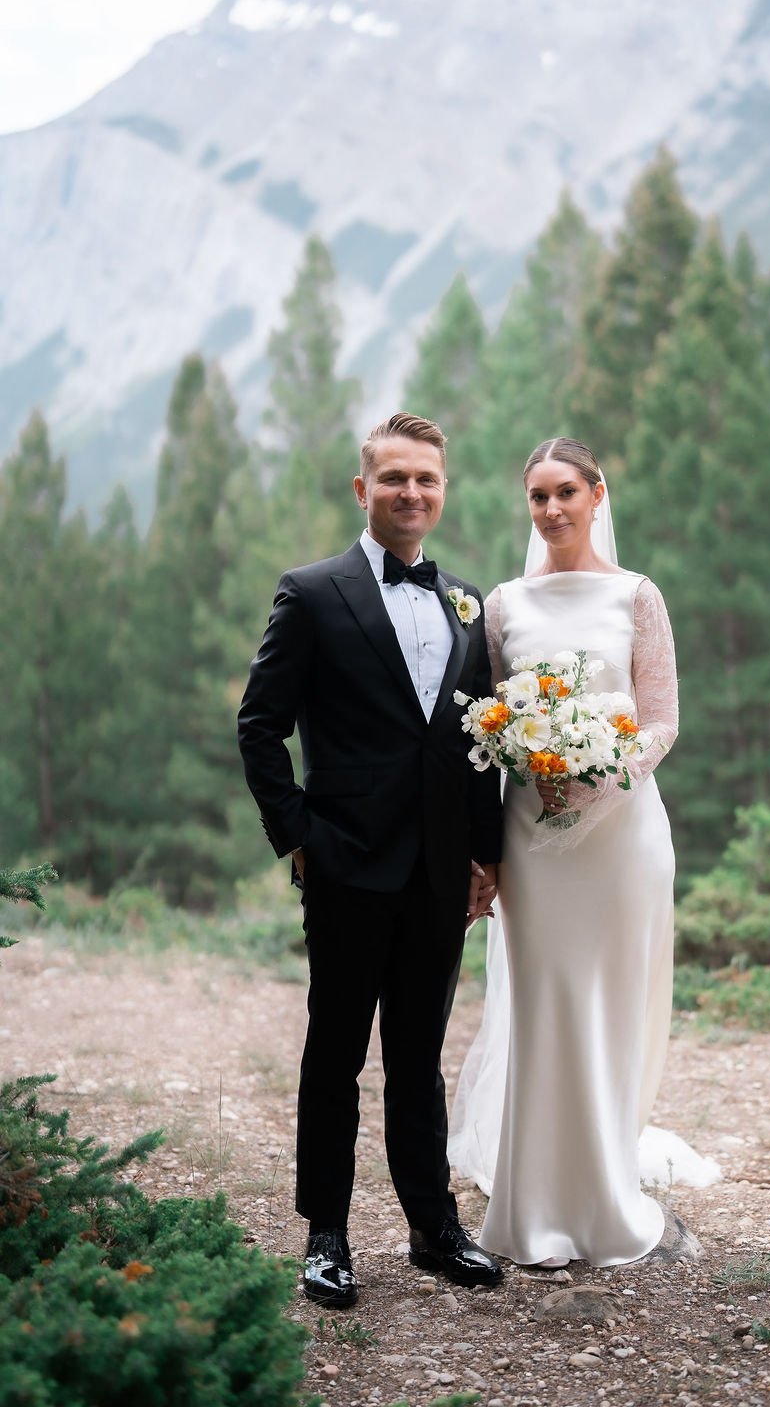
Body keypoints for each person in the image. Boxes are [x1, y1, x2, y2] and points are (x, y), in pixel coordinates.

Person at [238, 412, 504, 1308]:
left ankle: (433, 1227)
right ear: (364, 489)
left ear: (442, 489)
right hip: (346, 863)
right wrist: (300, 836)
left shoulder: (466, 603)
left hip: (438, 872)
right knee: (335, 1055)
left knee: (420, 1057)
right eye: (394, 478)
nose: (411, 493)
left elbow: (478, 745)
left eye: (426, 479)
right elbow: (259, 726)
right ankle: (327, 1235)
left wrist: (487, 854)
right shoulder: (312, 593)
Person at [449, 436, 720, 1269]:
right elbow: (489, 723)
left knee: (610, 1004)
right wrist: (519, 787)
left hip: (622, 836)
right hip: (533, 842)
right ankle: (534, 1201)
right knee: (542, 1004)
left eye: (567, 491)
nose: (553, 508)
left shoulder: (637, 598)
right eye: (538, 496)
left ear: (599, 494)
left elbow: (664, 717)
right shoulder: (502, 607)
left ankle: (603, 1185)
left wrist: (604, 769)